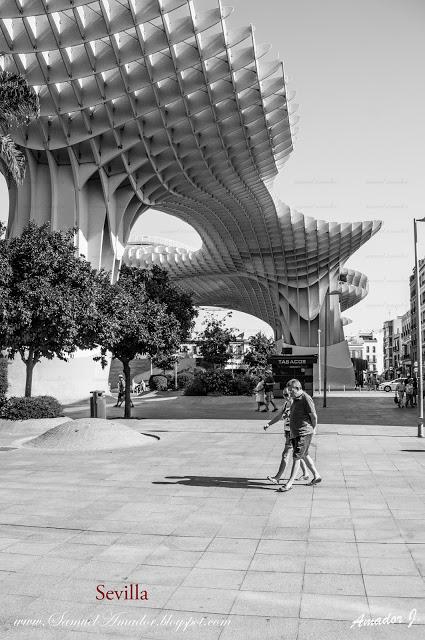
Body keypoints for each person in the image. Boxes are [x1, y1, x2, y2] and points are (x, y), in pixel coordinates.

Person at [277, 378, 321, 492]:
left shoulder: (306, 398)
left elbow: (314, 416)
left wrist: (314, 428)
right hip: (296, 432)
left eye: (292, 391)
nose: (290, 393)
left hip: (304, 432)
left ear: (298, 388)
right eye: (289, 391)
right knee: (304, 455)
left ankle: (289, 483)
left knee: (296, 457)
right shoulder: (295, 399)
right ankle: (316, 476)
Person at [263, 387, 309, 484]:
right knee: (300, 455)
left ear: (292, 394)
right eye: (284, 395)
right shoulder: (286, 404)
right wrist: (269, 424)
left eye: (287, 394)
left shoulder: (295, 404)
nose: (286, 397)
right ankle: (307, 474)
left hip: (294, 432)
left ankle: (277, 477)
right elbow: (279, 416)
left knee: (285, 454)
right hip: (288, 432)